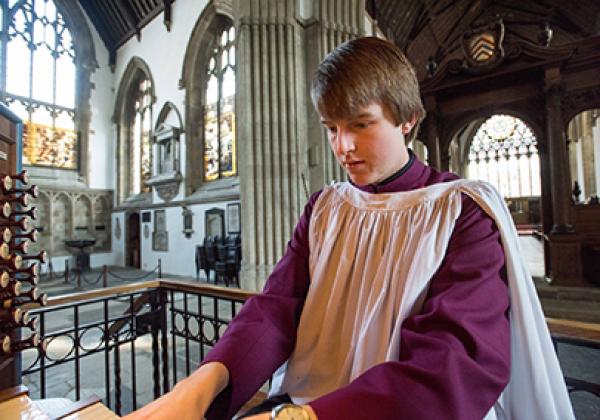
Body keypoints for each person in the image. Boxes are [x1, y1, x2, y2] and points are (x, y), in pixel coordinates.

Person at [125, 37, 574, 420]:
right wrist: (206, 381)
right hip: (306, 403)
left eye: (361, 124)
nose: (343, 146)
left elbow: (454, 358)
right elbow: (277, 309)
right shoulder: (326, 208)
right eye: (331, 128)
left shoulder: (461, 210)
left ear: (407, 119)